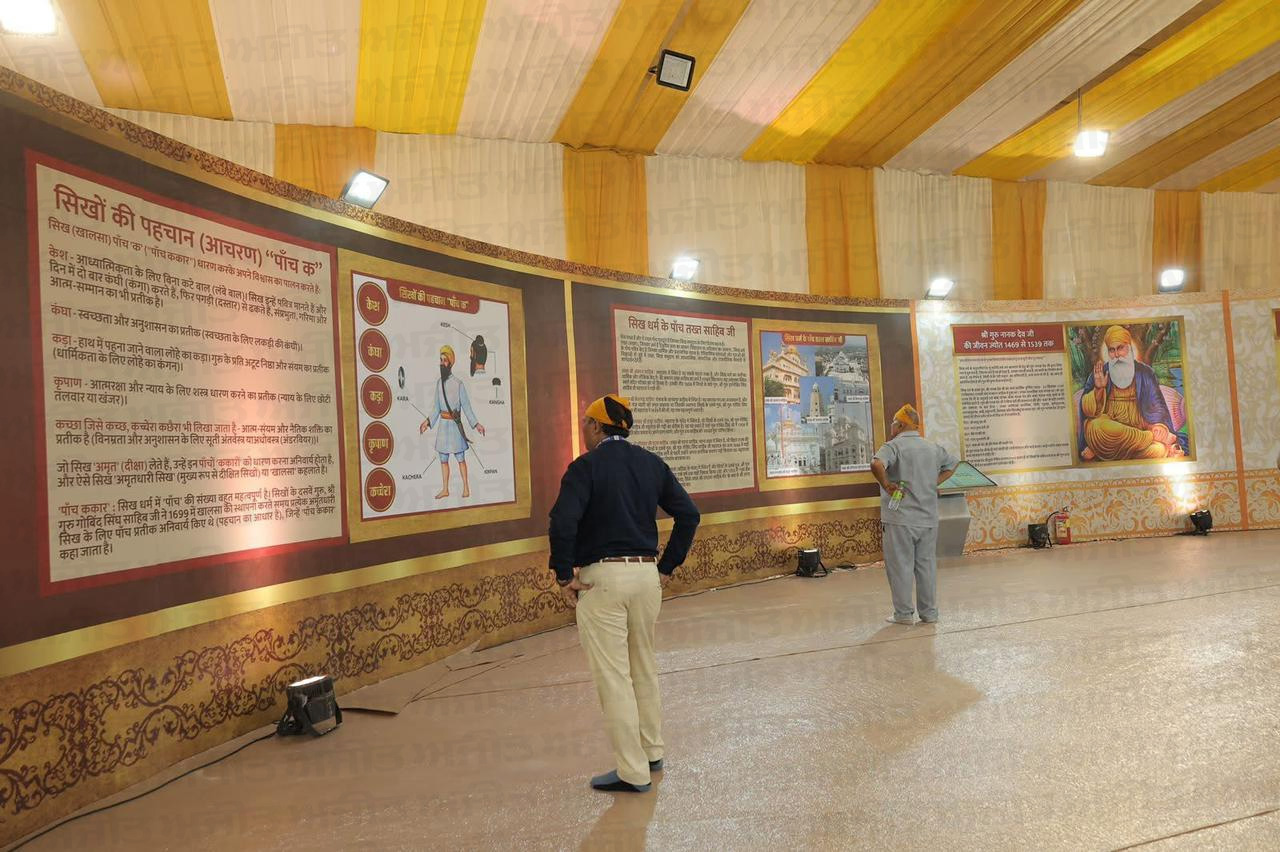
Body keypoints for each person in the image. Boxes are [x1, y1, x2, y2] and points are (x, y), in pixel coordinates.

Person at [548, 394, 700, 793]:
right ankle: (652, 751)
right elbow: (689, 515)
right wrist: (666, 566)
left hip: (603, 581)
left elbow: (562, 522)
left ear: (598, 427)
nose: (583, 428)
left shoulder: (585, 467)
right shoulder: (651, 463)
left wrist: (563, 575)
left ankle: (632, 772)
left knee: (614, 677)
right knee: (643, 666)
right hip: (646, 577)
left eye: (586, 422)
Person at [870, 404, 959, 625]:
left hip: (900, 519)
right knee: (926, 566)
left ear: (900, 425)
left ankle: (903, 614)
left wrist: (886, 484)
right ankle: (929, 613)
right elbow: (953, 464)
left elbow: (876, 464)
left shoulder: (893, 447)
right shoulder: (932, 448)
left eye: (893, 423)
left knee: (900, 566)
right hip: (928, 518)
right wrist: (933, 483)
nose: (891, 426)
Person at [1079, 325, 1181, 461]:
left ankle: (1100, 449)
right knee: (1095, 427)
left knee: (1158, 450)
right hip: (1112, 429)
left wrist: (1157, 426)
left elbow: (1157, 406)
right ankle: (1147, 438)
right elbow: (1087, 412)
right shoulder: (1101, 372)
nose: (1116, 355)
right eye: (1112, 350)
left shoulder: (1145, 373)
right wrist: (1098, 389)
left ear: (1130, 347)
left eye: (1120, 348)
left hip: (1140, 427)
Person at [419, 344, 484, 499]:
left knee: (460, 458)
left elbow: (467, 407)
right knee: (443, 459)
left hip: (455, 427)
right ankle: (445, 489)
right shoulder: (438, 384)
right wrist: (427, 422)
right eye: (440, 360)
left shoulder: (458, 384)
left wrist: (476, 424)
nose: (442, 363)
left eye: (445, 360)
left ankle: (466, 488)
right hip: (443, 427)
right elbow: (436, 408)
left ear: (450, 363)